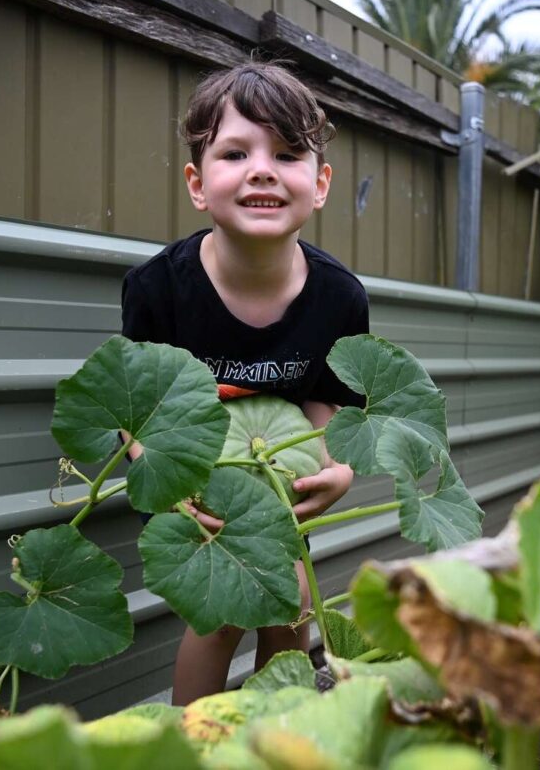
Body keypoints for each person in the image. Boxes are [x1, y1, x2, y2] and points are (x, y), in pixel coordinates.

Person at [120, 61, 370, 705]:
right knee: (219, 615)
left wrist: (336, 468)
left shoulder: (340, 297)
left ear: (319, 185)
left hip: (279, 484)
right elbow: (135, 405)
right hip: (203, 483)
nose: (262, 169)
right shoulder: (157, 288)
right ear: (199, 185)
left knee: (291, 604)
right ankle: (195, 742)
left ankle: (272, 736)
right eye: (236, 152)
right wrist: (168, 482)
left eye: (287, 154)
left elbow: (330, 398)